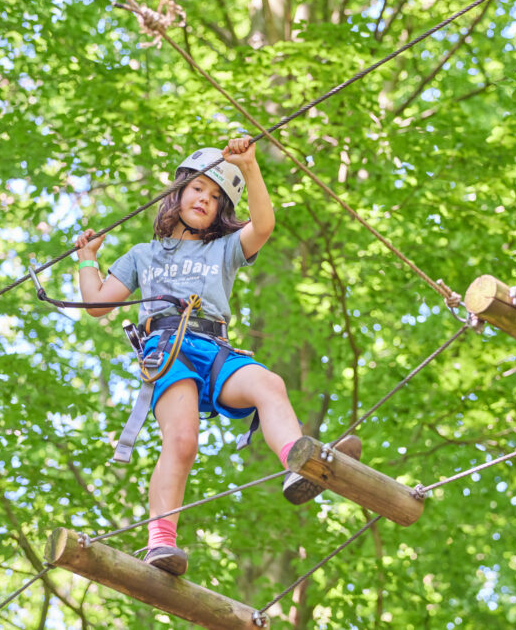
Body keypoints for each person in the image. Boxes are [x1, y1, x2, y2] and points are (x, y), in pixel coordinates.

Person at [74, 136, 360, 576]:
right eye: (198, 190)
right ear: (178, 192)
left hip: (215, 347)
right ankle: (160, 543)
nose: (205, 200)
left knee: (269, 384)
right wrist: (87, 260)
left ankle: (301, 463)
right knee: (182, 440)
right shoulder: (141, 255)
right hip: (168, 351)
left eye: (215, 198)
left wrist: (250, 168)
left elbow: (263, 225)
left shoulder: (222, 249)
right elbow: (96, 304)